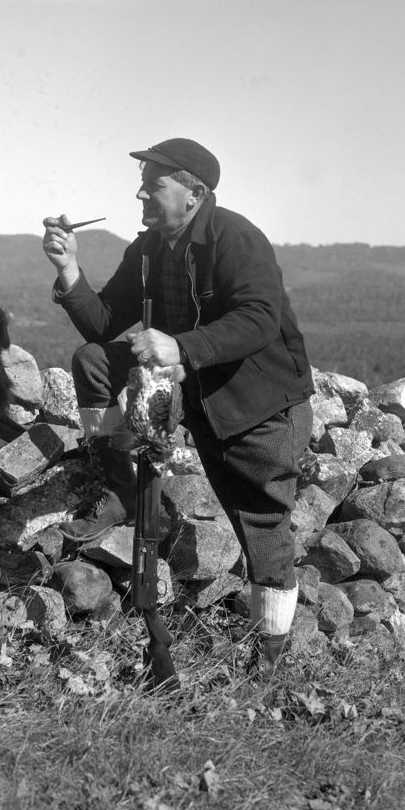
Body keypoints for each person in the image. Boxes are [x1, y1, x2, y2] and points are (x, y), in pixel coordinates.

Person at [42, 138, 313, 678]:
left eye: (154, 184)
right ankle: (120, 486)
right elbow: (102, 323)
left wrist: (181, 347)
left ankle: (270, 658)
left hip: (252, 402)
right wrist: (69, 267)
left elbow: (259, 318)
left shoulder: (237, 238)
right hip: (182, 386)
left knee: (261, 521)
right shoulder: (147, 249)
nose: (141, 193)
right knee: (94, 361)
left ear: (194, 193)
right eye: (143, 183)